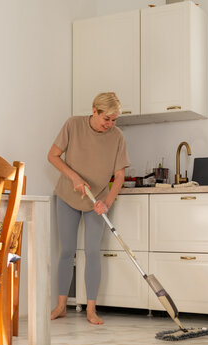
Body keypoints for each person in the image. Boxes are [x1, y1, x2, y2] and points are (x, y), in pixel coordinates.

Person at [48, 92, 130, 325]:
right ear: (94, 111)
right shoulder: (73, 124)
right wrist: (74, 177)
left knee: (93, 251)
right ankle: (61, 306)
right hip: (68, 195)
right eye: (107, 119)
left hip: (97, 201)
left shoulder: (117, 137)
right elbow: (52, 156)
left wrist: (107, 202)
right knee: (67, 250)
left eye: (114, 120)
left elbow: (120, 175)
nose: (110, 125)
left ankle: (91, 310)